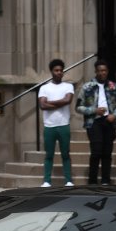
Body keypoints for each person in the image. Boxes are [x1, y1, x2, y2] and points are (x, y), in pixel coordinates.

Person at [78, 60, 116, 185]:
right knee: (96, 151)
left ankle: (105, 180)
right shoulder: (87, 87)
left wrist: (114, 115)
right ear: (96, 71)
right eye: (99, 71)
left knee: (107, 152)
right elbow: (78, 107)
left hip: (109, 121)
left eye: (104, 70)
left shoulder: (114, 86)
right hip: (94, 122)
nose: (102, 73)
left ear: (107, 71)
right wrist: (94, 110)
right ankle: (92, 181)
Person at [37, 58, 76, 187]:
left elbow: (68, 100)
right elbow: (42, 105)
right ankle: (47, 180)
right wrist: (60, 102)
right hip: (49, 125)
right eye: (56, 70)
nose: (59, 72)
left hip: (64, 124)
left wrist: (50, 102)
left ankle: (68, 180)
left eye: (61, 70)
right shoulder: (44, 88)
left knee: (66, 153)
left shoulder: (68, 86)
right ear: (52, 72)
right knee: (49, 154)